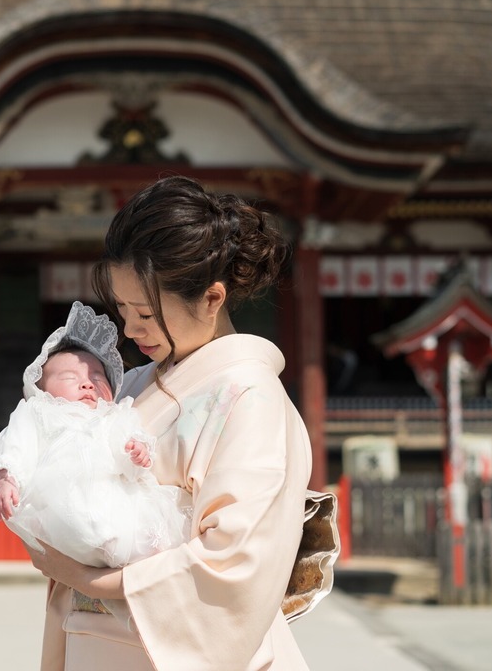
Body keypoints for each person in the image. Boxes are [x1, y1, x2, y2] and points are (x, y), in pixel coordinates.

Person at [26, 175, 314, 670]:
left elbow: (234, 562)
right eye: (122, 309)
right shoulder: (134, 383)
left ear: (212, 299)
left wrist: (87, 578)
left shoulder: (251, 396)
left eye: (145, 312)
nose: (129, 328)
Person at [0, 301, 187, 573]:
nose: (87, 383)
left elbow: (125, 444)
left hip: (112, 497)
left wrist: (136, 452)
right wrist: (8, 477)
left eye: (97, 376)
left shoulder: (112, 415)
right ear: (41, 389)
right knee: (76, 522)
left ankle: (142, 551)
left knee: (143, 521)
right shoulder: (39, 412)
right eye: (70, 377)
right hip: (61, 496)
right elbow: (17, 443)